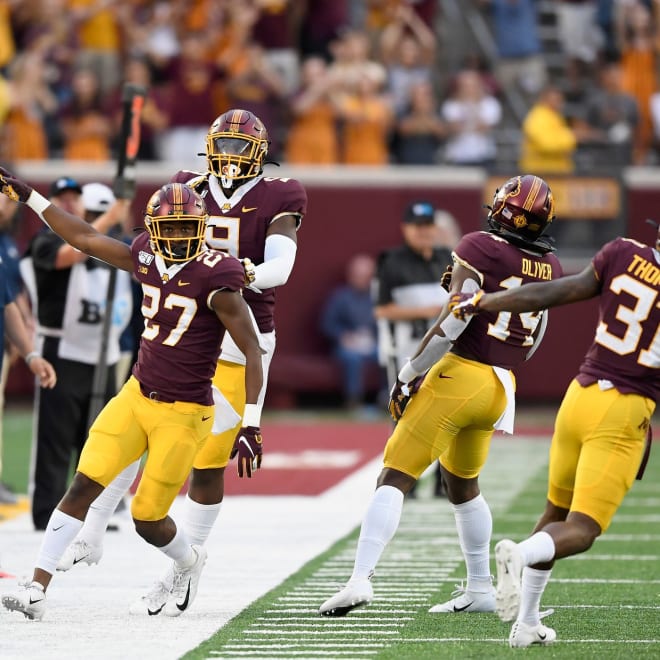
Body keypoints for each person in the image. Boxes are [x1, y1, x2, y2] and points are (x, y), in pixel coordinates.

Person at [55, 108, 307, 616]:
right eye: (226, 147)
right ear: (210, 147)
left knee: (207, 459)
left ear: (259, 152)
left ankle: (183, 568)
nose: (233, 158)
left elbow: (283, 265)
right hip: (187, 324)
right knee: (141, 418)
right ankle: (95, 530)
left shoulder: (281, 194)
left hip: (241, 335)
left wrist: (236, 275)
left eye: (242, 149)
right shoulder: (185, 185)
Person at [0, 170, 265, 621]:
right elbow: (83, 237)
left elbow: (253, 352)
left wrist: (252, 422)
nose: (179, 238)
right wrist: (30, 198)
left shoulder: (217, 277)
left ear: (201, 227)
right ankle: (37, 587)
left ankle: (189, 560)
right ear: (153, 230)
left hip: (184, 412)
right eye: (170, 229)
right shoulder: (144, 255)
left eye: (187, 228)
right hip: (136, 395)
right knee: (84, 482)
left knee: (147, 519)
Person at [318, 174, 562, 617]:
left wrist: (409, 373)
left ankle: (359, 579)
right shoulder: (550, 266)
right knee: (462, 485)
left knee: (394, 473)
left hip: (459, 374)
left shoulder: (480, 247)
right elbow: (540, 334)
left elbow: (454, 320)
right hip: (501, 383)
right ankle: (480, 589)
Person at [448, 224, 659, 647]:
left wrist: (485, 300)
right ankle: (519, 555)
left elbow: (552, 294)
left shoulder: (621, 252)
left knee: (555, 514)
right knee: (582, 529)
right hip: (623, 409)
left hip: (579, 397)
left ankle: (526, 622)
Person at [19, 176, 133, 530]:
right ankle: (47, 514)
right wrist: (109, 219)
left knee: (98, 437)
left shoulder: (113, 243)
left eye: (76, 199)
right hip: (63, 350)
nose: (70, 204)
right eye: (61, 199)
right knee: (55, 439)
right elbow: (74, 249)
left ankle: (93, 511)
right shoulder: (45, 241)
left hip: (105, 353)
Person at [374, 200, 453, 498]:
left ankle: (443, 481)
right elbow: (383, 310)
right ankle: (404, 480)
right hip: (407, 347)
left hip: (444, 347)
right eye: (418, 227)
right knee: (405, 412)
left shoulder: (447, 258)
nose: (423, 232)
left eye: (428, 226)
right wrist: (428, 311)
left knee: (448, 410)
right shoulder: (392, 262)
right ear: (406, 229)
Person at [320, 253, 380, 411]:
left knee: (386, 355)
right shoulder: (339, 297)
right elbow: (327, 324)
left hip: (373, 344)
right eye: (359, 275)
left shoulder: (378, 297)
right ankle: (354, 402)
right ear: (351, 275)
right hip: (347, 345)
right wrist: (343, 336)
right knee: (351, 358)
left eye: (367, 276)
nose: (362, 279)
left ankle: (386, 399)